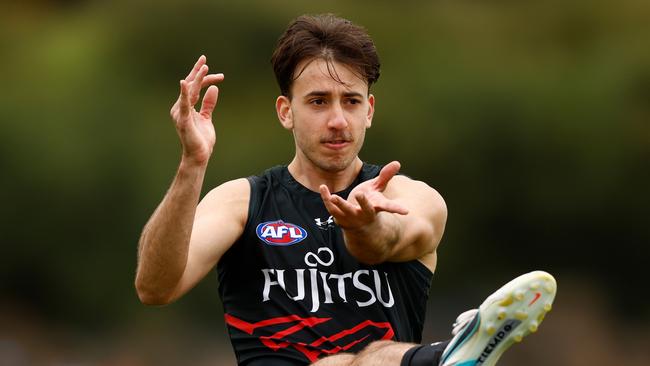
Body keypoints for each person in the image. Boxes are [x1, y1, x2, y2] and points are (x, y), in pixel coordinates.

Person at [135, 14, 556, 366]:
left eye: (351, 101)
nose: (338, 120)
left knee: (373, 357)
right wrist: (192, 164)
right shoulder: (242, 202)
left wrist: (363, 226)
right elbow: (154, 288)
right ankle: (445, 358)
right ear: (286, 112)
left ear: (369, 110)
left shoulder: (410, 199)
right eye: (318, 101)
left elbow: (384, 243)